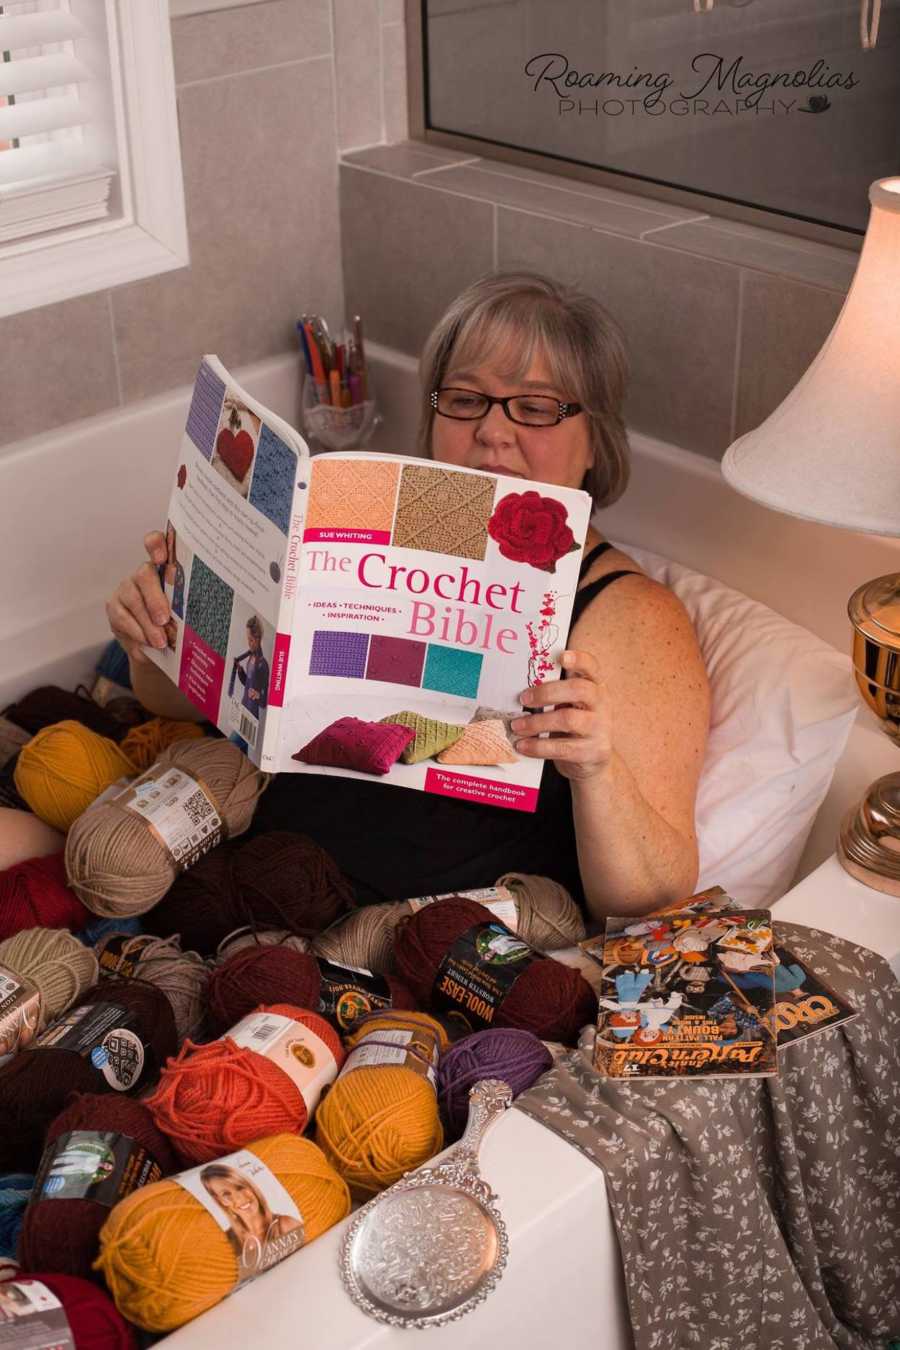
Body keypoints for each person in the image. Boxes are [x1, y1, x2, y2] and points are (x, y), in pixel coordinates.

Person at [106, 271, 710, 919]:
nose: (493, 431)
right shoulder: (351, 548)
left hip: (398, 947)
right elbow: (176, 701)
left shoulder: (631, 613)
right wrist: (156, 638)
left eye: (535, 407)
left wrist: (597, 768)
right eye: (465, 399)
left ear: (597, 439)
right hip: (241, 869)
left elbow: (656, 890)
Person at [200, 1164, 303, 1277]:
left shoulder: (285, 1224)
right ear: (220, 1201)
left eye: (239, 1187)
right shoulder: (226, 1243)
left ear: (250, 1186)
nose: (239, 1198)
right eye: (226, 1194)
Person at [228, 615, 269, 753]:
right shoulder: (250, 657)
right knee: (242, 755)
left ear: (258, 639)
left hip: (251, 717)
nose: (249, 643)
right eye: (248, 640)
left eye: (251, 640)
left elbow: (264, 702)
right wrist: (240, 671)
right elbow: (247, 684)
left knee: (229, 747)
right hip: (243, 710)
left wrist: (258, 695)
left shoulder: (263, 665)